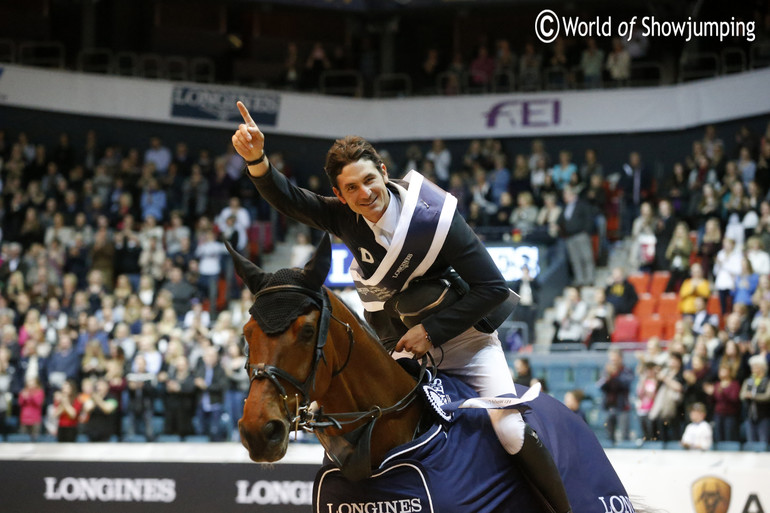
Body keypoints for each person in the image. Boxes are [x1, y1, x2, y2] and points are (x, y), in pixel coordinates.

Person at [231, 101, 572, 513]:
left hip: (468, 342)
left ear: (384, 174)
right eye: (351, 189)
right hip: (400, 348)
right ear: (339, 194)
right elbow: (289, 199)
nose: (365, 193)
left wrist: (430, 333)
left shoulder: (434, 218)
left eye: (369, 180)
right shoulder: (344, 217)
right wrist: (257, 160)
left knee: (511, 428)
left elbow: (494, 288)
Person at [596, 348, 633, 443]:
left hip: (622, 406)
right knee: (609, 434)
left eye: (615, 360)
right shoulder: (606, 372)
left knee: (624, 435)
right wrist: (608, 376)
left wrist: (614, 375)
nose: (613, 362)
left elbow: (625, 384)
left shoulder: (626, 371)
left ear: (621, 359)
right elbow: (600, 385)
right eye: (611, 360)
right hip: (609, 406)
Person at [740, 354, 770, 444]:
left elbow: (768, 396)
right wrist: (746, 395)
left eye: (755, 366)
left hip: (764, 416)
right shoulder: (748, 381)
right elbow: (741, 395)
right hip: (750, 416)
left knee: (763, 442)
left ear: (762, 367)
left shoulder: (767, 381)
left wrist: (753, 396)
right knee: (751, 442)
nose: (752, 369)